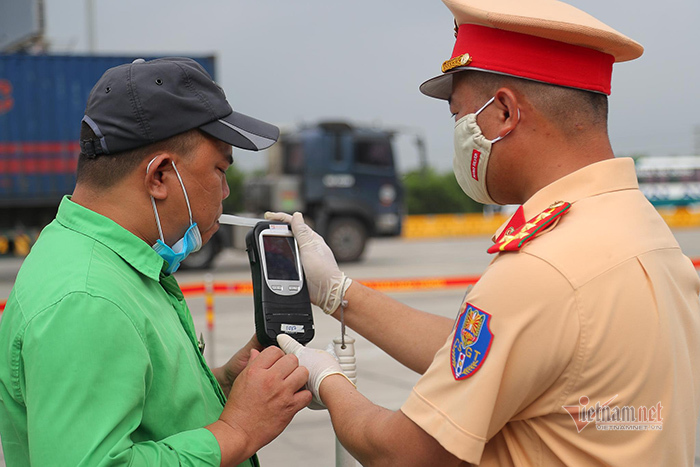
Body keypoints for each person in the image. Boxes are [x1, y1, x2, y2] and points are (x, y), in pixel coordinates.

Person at [269, 0, 700, 465]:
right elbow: (487, 349)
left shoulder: (544, 268)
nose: (456, 131)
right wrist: (338, 292)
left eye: (458, 115)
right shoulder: (639, 225)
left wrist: (327, 379)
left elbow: (402, 454)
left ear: (505, 114)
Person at [0, 57, 311, 467]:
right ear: (160, 175)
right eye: (219, 169)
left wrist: (222, 384)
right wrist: (237, 430)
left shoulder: (113, 263)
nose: (225, 193)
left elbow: (136, 410)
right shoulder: (88, 299)